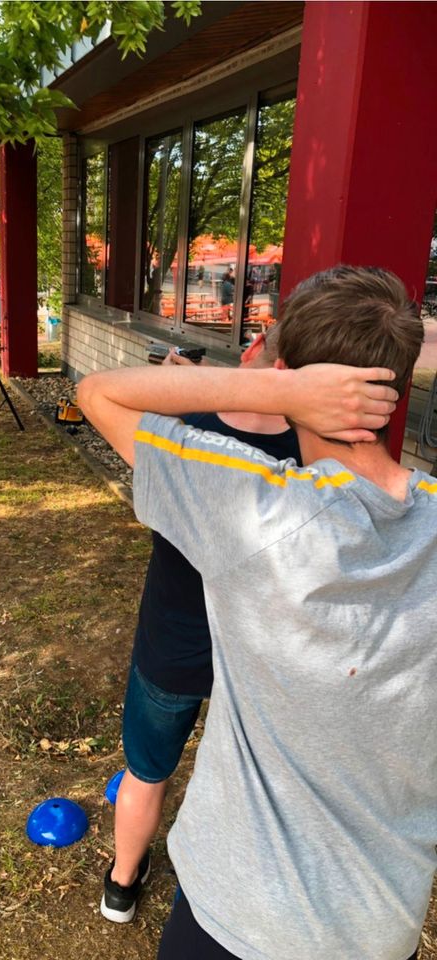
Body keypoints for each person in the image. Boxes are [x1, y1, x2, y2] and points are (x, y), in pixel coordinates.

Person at [77, 265, 435, 960]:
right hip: (382, 927)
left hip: (238, 922)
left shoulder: (259, 510)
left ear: (292, 371)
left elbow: (98, 393)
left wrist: (276, 386)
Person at [101, 327, 301, 925]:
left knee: (146, 769)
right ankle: (231, 892)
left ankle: (121, 883)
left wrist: (178, 383)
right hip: (259, 655)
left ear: (253, 348)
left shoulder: (179, 427)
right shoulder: (313, 452)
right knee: (250, 786)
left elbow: (102, 395)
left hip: (174, 647)